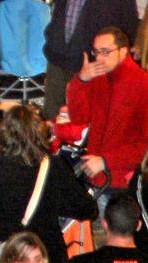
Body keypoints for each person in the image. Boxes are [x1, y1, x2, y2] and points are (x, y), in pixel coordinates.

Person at [0, 101, 96, 263]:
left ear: (5, 133)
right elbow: (86, 209)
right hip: (48, 255)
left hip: (10, 259)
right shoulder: (54, 166)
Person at [55, 24, 148, 190]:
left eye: (105, 52)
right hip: (94, 172)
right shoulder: (99, 78)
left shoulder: (142, 84)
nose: (99, 58)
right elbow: (79, 118)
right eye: (96, 52)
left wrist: (106, 161)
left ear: (123, 51)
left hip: (122, 179)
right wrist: (81, 81)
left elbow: (144, 144)